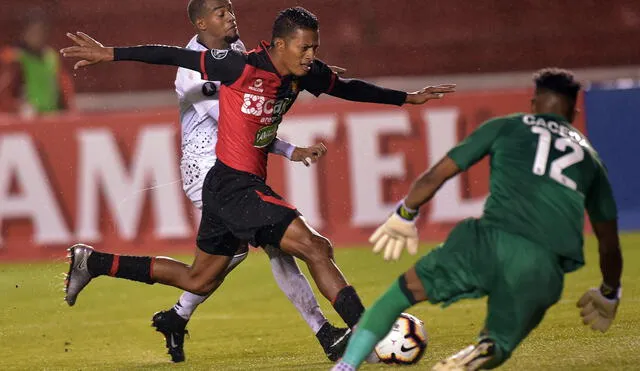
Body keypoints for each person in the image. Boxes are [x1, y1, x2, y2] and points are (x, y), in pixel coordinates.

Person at [60, 6, 456, 361]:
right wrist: (109, 53)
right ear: (279, 45)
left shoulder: (307, 72)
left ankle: (93, 262)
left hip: (231, 187)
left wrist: (406, 99)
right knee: (315, 247)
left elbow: (348, 88)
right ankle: (363, 332)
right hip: (231, 185)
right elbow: (174, 55)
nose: (311, 56)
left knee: (197, 278)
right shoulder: (240, 66)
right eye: (303, 48)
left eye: (314, 48)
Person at [331, 68, 623, 371]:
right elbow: (609, 244)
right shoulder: (591, 160)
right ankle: (477, 354)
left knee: (398, 295)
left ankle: (346, 366)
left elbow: (438, 174)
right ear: (574, 112)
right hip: (544, 264)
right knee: (498, 343)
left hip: (487, 242)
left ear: (534, 104)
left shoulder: (507, 126)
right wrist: (610, 292)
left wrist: (406, 214)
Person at [151, 0, 348, 362]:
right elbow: (238, 120)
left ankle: (176, 316)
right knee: (279, 244)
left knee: (237, 254)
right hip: (208, 168)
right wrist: (290, 142)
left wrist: (296, 75)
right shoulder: (194, 70)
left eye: (231, 9)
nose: (231, 16)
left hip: (234, 168)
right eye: (221, 12)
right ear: (200, 23)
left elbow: (251, 117)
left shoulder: (236, 52)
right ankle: (325, 333)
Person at [0, 8, 75, 116]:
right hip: (24, 119)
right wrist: (17, 108)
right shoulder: (12, 57)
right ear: (24, 32)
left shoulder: (51, 57)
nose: (37, 36)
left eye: (40, 32)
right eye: (33, 31)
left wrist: (69, 110)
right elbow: (4, 93)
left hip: (51, 118)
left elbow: (64, 88)